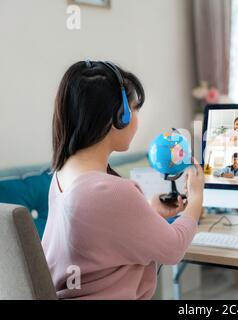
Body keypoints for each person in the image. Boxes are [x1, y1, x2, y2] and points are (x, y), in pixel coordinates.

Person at [42, 60, 204, 300]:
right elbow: (173, 249)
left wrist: (149, 212)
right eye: (135, 108)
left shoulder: (61, 175)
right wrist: (196, 199)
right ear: (119, 116)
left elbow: (96, 242)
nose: (136, 117)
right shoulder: (111, 190)